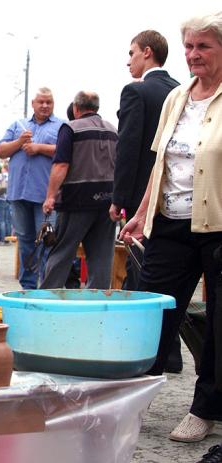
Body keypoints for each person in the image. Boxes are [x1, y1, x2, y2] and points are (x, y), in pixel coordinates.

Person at [119, 11, 222, 445]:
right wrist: (143, 213)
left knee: (218, 322)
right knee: (153, 314)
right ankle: (134, 397)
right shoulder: (176, 97)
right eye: (189, 46)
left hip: (218, 227)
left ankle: (205, 408)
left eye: (204, 46)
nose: (193, 54)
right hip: (170, 222)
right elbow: (161, 162)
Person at [110, 30, 179, 291]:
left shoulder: (135, 92)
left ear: (147, 52)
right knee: (166, 266)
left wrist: (118, 198)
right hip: (176, 195)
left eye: (131, 53)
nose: (128, 61)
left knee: (139, 264)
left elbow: (127, 149)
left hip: (142, 195)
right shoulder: (181, 90)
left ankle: (138, 324)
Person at [41, 91, 118, 289]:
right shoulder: (113, 130)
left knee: (63, 252)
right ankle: (98, 304)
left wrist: (50, 197)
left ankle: (47, 299)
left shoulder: (70, 128)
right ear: (96, 107)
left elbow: (61, 165)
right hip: (108, 202)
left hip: (76, 201)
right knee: (102, 257)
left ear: (76, 108)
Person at [0, 88, 64, 289]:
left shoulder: (61, 126)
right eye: (41, 102)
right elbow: (1, 150)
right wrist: (19, 142)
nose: (45, 106)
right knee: (25, 241)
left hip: (46, 197)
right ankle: (28, 287)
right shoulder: (19, 125)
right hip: (18, 193)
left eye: (49, 102)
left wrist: (39, 148)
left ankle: (46, 287)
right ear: (33, 104)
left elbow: (68, 151)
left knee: (46, 242)